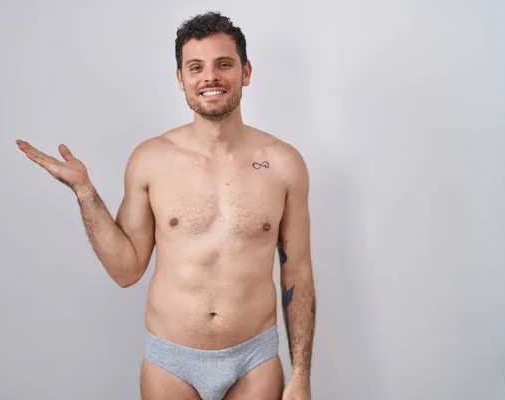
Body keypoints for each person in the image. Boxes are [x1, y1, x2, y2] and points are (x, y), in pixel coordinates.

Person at [16, 11, 316, 400]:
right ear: (181, 79)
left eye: (224, 64)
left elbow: (299, 274)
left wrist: (302, 376)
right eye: (196, 67)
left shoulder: (284, 163)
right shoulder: (151, 159)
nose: (210, 77)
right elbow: (126, 270)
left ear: (246, 71)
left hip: (253, 359)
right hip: (171, 362)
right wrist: (85, 192)